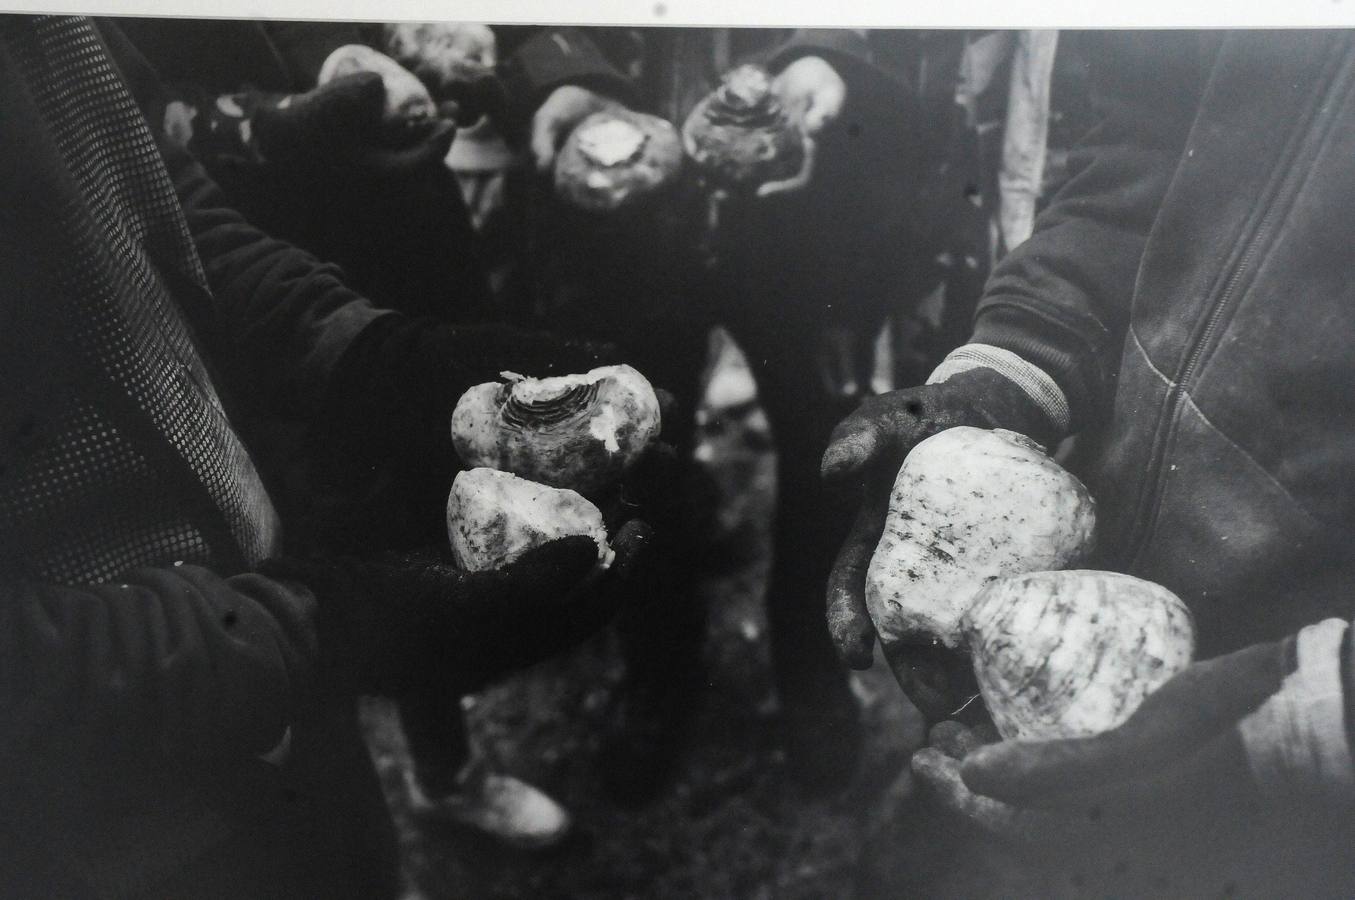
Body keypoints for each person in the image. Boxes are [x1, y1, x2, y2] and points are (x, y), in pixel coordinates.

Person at [0, 14, 656, 897]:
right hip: (92, 808)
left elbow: (151, 194)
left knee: (346, 854)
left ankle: (423, 792)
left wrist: (361, 354)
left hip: (259, 614)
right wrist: (324, 631)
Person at [821, 29, 1355, 896]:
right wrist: (1013, 363)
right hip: (1086, 562)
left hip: (1303, 715)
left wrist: (1326, 717)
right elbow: (1129, 151)